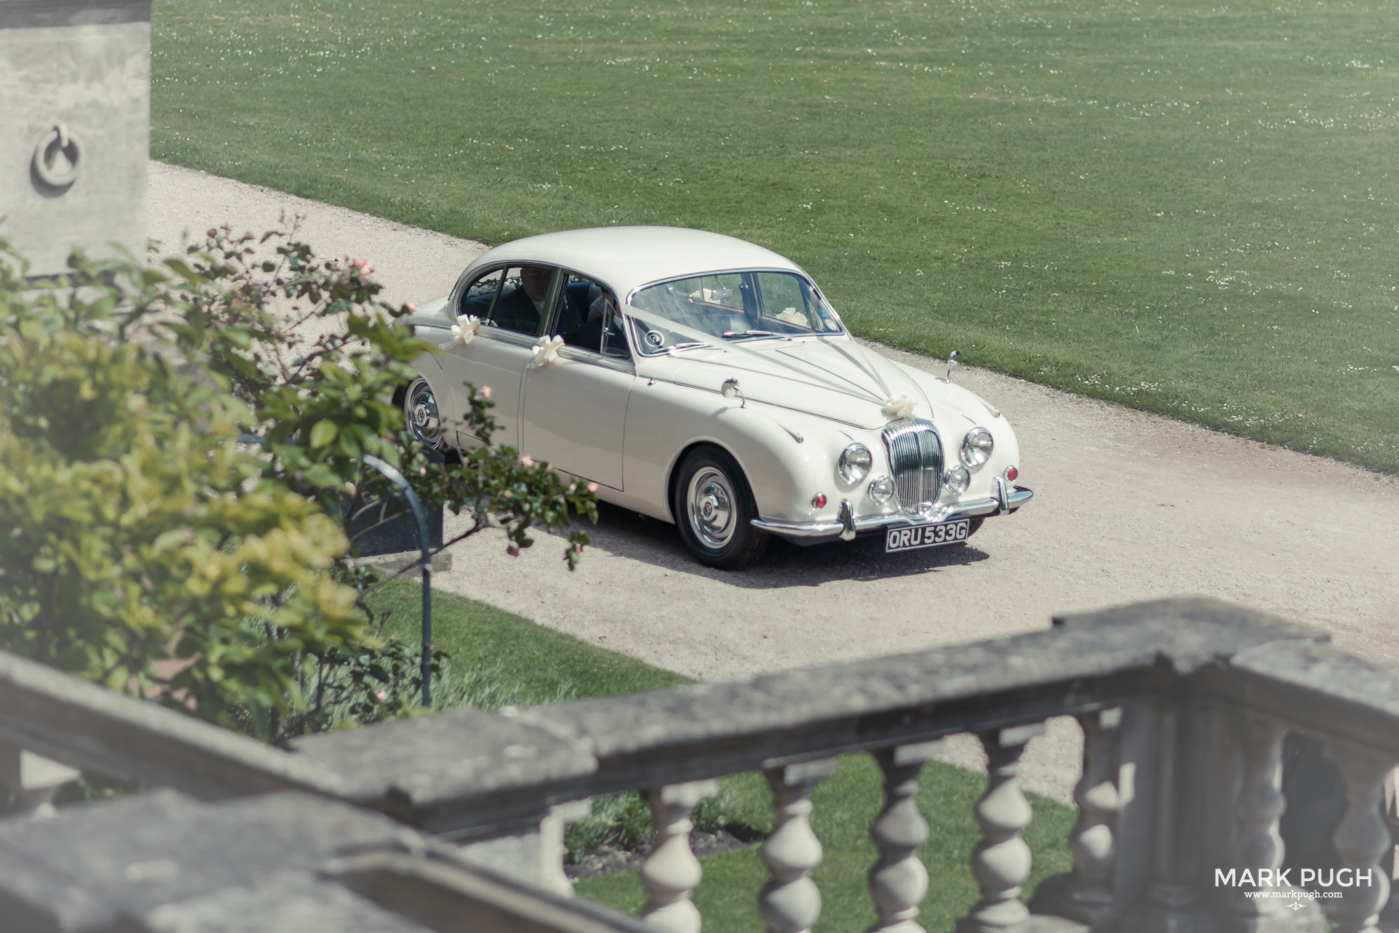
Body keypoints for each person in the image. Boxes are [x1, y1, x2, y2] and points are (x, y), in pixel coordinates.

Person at [490, 265, 552, 334]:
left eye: (548, 275)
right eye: (536, 275)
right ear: (522, 276)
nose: (542, 281)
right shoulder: (506, 307)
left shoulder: (563, 296)